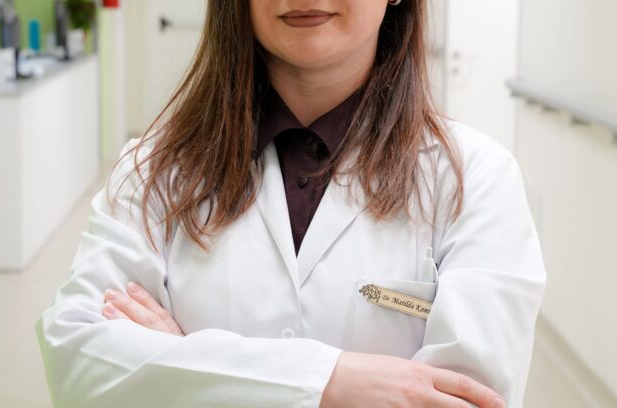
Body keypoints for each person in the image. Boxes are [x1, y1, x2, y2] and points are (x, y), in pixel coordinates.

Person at [35, 0, 546, 407]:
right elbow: (77, 361)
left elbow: (469, 400)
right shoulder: (153, 170)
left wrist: (183, 366)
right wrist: (331, 383)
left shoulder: (475, 178)